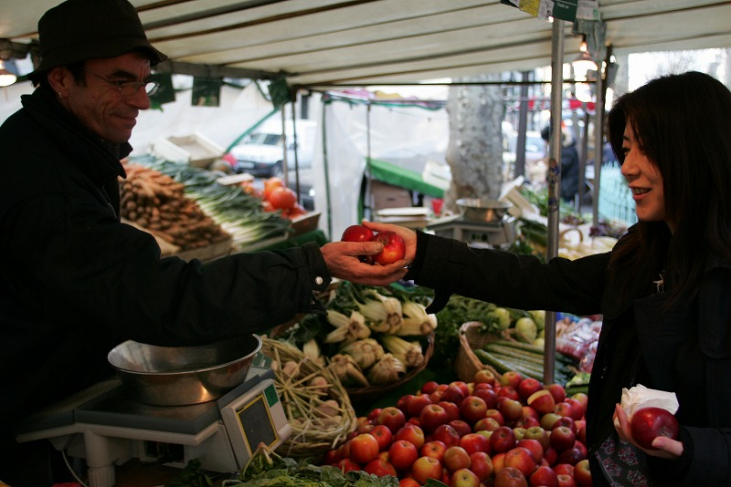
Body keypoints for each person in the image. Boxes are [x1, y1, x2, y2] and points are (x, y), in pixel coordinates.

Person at [0, 1, 410, 484]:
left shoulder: (59, 148)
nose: (142, 101)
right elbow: (157, 295)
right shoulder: (44, 183)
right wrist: (308, 268)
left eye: (143, 81)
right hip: (27, 409)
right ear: (61, 80)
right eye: (119, 81)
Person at [367, 71, 731, 486]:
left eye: (645, 149)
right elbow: (542, 281)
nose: (627, 167)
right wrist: (427, 254)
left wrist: (693, 449)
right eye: (626, 149)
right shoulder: (645, 252)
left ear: (695, 152)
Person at [541, 123, 580, 204]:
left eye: (547, 141)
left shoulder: (566, 150)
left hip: (566, 188)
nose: (546, 143)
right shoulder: (565, 148)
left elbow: (559, 168)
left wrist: (548, 177)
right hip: (565, 186)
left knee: (563, 207)